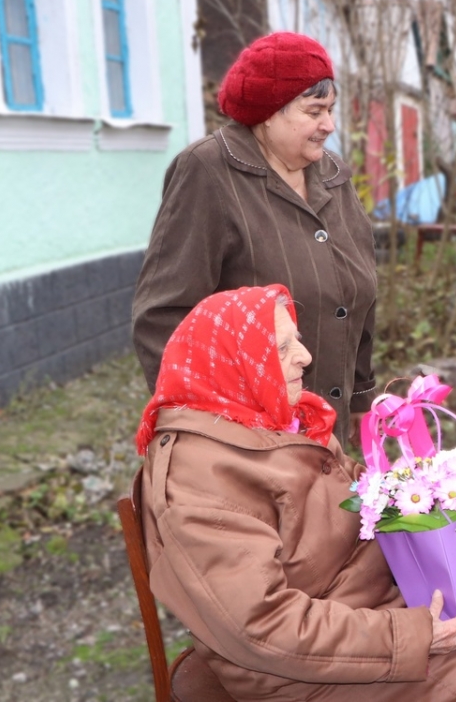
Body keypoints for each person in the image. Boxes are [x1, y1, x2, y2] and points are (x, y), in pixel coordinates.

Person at [135, 284, 456, 701]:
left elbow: (359, 495)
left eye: (297, 339)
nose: (306, 356)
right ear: (232, 363)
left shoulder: (282, 422)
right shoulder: (200, 480)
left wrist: (435, 491)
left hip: (364, 609)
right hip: (302, 668)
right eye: (283, 346)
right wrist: (412, 636)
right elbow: (260, 627)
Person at [132, 32, 375, 447]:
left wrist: (361, 396)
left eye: (330, 110)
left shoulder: (332, 174)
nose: (329, 125)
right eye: (314, 110)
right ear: (268, 113)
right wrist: (208, 427)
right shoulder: (208, 171)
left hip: (327, 432)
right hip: (248, 443)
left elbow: (355, 294)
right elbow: (163, 315)